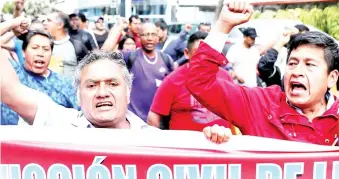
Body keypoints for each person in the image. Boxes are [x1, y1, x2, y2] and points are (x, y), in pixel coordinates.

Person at [186, 1, 339, 146]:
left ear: (332, 78)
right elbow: (200, 83)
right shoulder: (259, 104)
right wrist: (223, 25)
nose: (297, 72)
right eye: (292, 63)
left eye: (309, 64)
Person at [0, 48, 231, 143]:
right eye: (91, 86)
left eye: (112, 83)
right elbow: (8, 90)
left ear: (128, 92)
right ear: (78, 96)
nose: (102, 93)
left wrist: (214, 143)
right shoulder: (59, 123)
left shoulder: (155, 141)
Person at [148, 31, 232, 131]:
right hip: (185, 145)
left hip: (220, 144)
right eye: (198, 52)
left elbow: (237, 110)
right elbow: (154, 117)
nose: (204, 57)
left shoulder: (225, 77)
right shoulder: (172, 81)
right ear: (187, 53)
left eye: (208, 53)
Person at [1, 30, 78, 125]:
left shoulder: (64, 83)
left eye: (46, 49)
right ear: (23, 52)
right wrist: (13, 28)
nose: (40, 53)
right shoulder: (13, 73)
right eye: (35, 48)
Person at [102, 22, 174, 122]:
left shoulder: (166, 59)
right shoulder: (130, 57)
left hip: (158, 122)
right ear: (139, 37)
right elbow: (102, 56)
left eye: (153, 34)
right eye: (146, 34)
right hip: (133, 120)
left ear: (158, 37)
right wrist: (116, 31)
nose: (150, 38)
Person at [44, 11, 88, 77]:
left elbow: (88, 69)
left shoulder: (77, 46)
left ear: (60, 25)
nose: (45, 23)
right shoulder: (44, 45)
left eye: (49, 21)